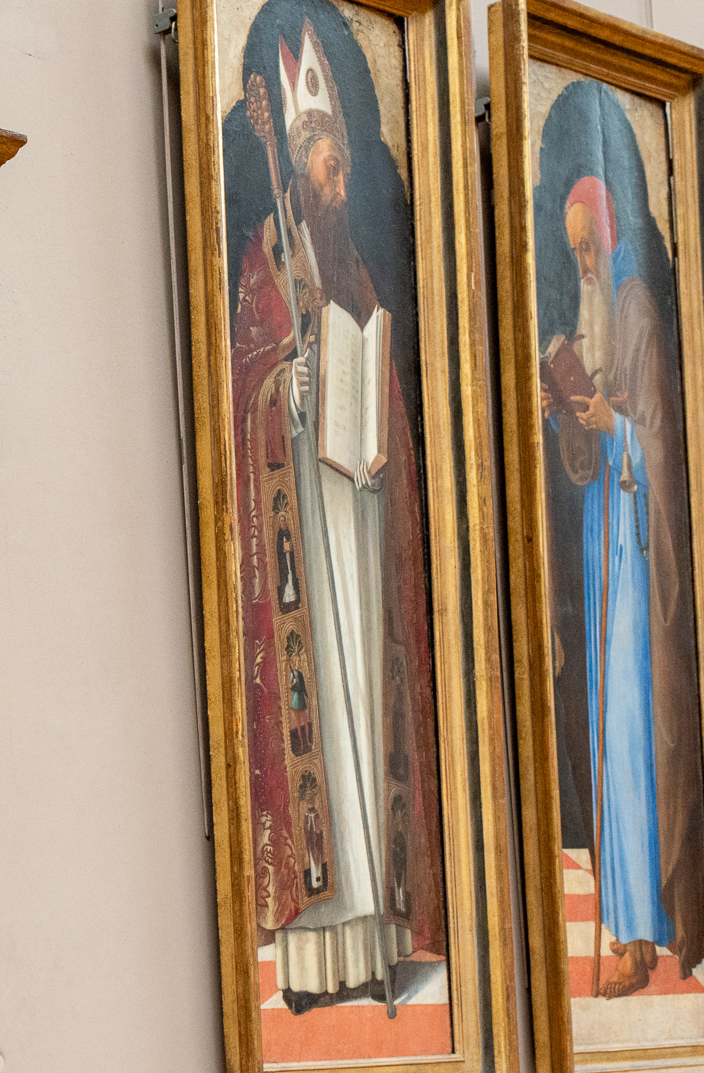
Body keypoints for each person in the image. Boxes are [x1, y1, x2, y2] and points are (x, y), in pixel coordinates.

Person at [228, 20, 441, 1014]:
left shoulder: (353, 268)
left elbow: (386, 392)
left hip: (361, 524)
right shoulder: (266, 260)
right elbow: (244, 387)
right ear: (298, 164)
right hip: (304, 544)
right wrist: (287, 385)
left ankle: (382, 934)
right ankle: (320, 956)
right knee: (322, 730)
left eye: (342, 164)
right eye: (324, 165)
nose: (336, 179)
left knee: (369, 715)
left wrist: (371, 412)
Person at [542, 174, 704, 996]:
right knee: (608, 734)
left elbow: (664, 441)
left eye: (589, 245)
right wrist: (565, 411)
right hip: (602, 540)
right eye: (573, 250)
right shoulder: (593, 319)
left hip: (640, 552)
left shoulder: (637, 310)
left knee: (632, 734)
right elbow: (586, 457)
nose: (583, 262)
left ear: (610, 237)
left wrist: (620, 430)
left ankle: (645, 932)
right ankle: (627, 934)